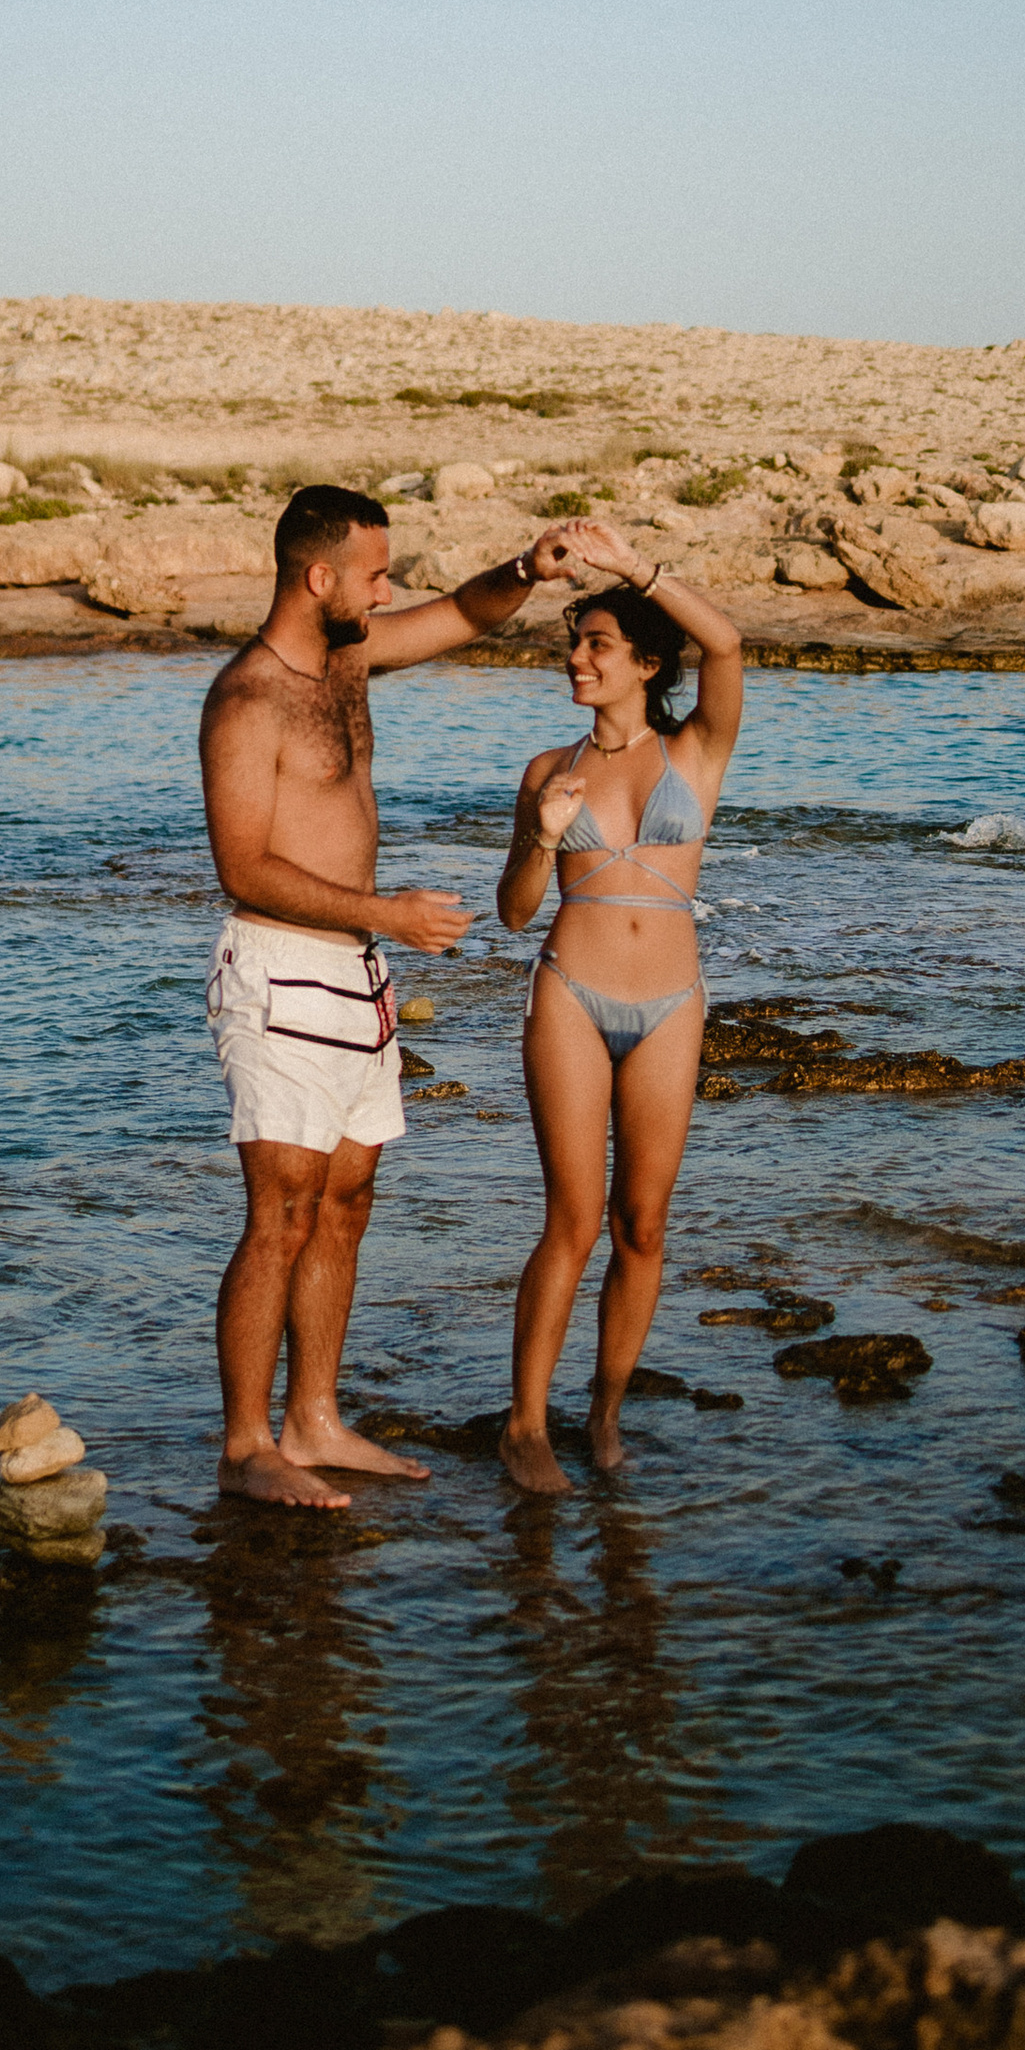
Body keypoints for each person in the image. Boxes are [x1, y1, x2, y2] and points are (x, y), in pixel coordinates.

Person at [199, 484, 607, 1512]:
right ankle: (247, 1444)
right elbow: (241, 866)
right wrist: (384, 912)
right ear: (318, 575)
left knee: (346, 1202)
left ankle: (316, 1421)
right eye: (375, 574)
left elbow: (463, 614)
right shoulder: (246, 696)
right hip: (280, 972)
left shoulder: (348, 654)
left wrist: (529, 567)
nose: (389, 591)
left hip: (356, 976)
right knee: (279, 1214)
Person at [493, 533, 745, 1492]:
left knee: (643, 1222)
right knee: (574, 1219)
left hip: (673, 1004)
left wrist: (635, 567)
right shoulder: (547, 770)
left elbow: (724, 648)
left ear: (644, 662)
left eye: (598, 644)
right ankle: (525, 1425)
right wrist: (541, 837)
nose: (577, 659)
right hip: (570, 994)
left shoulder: (696, 752)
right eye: (574, 644)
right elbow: (516, 912)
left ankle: (603, 1414)